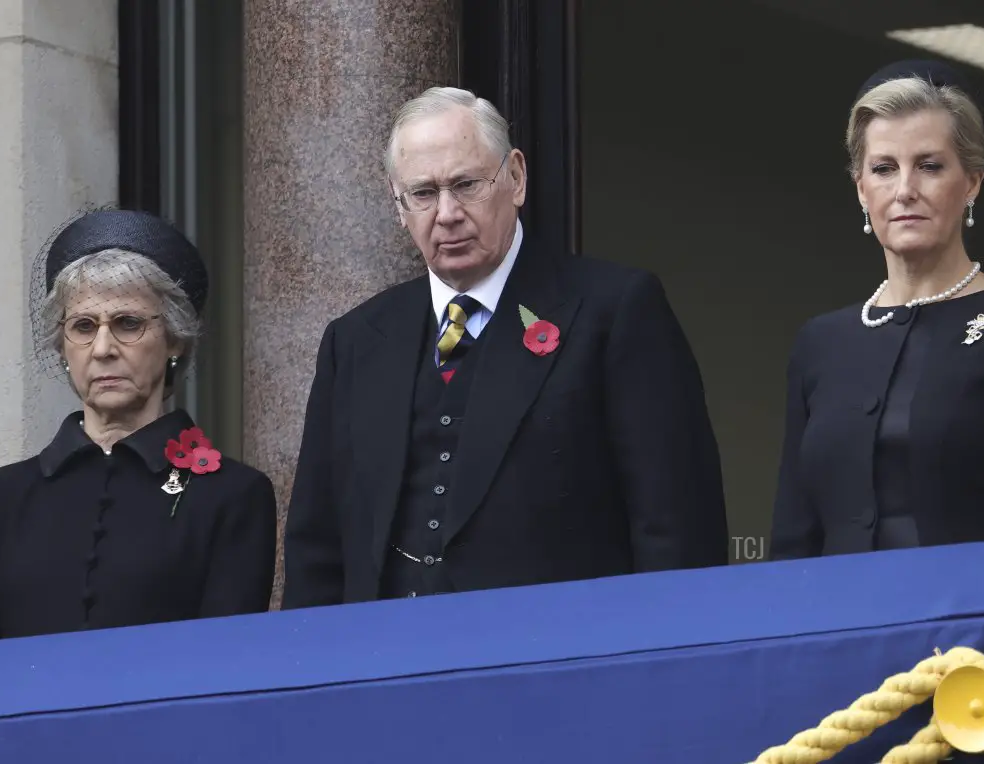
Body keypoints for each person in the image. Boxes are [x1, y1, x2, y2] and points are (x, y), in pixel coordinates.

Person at [283, 87, 727, 606]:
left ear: (515, 178)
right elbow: (317, 547)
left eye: (466, 184)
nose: (446, 213)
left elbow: (675, 527)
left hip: (557, 660)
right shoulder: (356, 340)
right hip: (389, 665)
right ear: (398, 205)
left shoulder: (616, 310)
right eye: (423, 193)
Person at [770, 60, 984, 562]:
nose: (905, 189)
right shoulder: (821, 342)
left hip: (979, 630)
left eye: (929, 166)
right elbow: (793, 539)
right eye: (884, 169)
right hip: (841, 626)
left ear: (972, 181)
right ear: (861, 189)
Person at [0, 209, 278, 645]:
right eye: (83, 326)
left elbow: (223, 666)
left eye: (128, 323)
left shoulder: (233, 495)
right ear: (63, 348)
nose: (102, 348)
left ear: (174, 339)